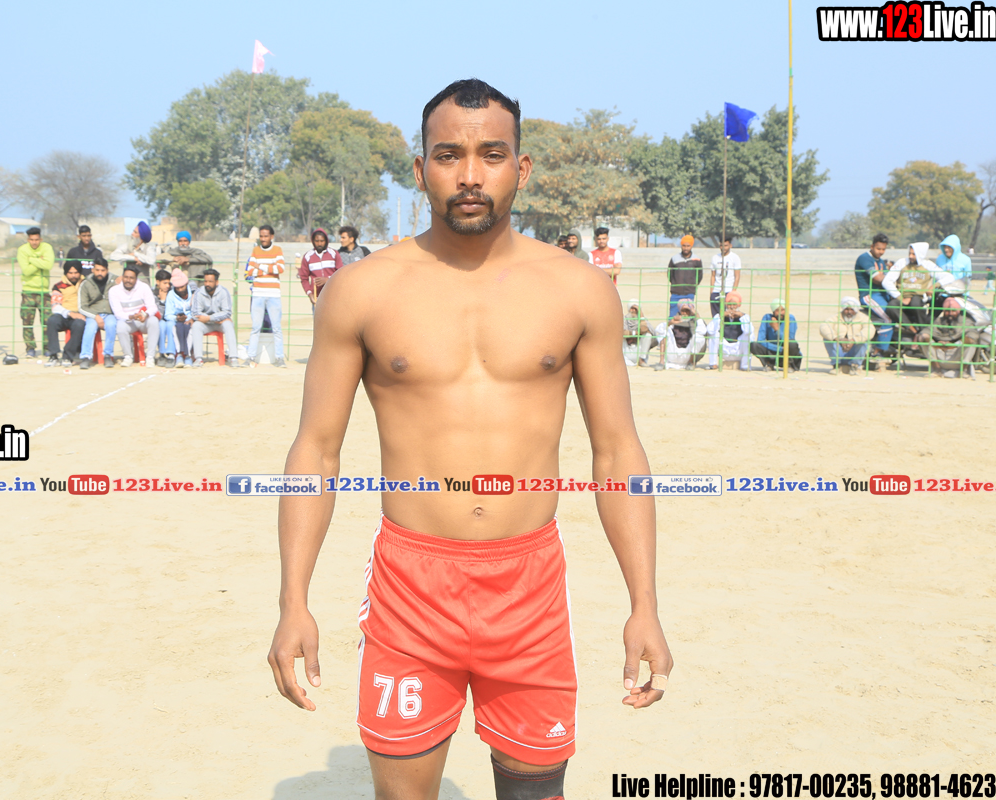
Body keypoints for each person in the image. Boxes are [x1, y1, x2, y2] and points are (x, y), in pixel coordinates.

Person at [267, 79, 670, 800]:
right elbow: (315, 450)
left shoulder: (579, 291)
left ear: (523, 167)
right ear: (420, 169)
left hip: (530, 586)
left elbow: (617, 452)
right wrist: (291, 599)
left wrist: (645, 601)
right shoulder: (361, 291)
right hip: (411, 586)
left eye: (492, 154)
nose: (471, 175)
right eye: (449, 155)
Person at [882, 243, 957, 352]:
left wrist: (934, 286)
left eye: (914, 254)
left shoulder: (928, 265)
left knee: (915, 302)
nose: (911, 256)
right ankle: (914, 331)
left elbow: (949, 277)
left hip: (919, 297)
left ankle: (923, 332)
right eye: (910, 253)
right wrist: (900, 297)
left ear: (920, 255)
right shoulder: (902, 263)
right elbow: (886, 281)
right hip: (903, 297)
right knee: (891, 306)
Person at [245, 225, 287, 367]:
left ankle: (279, 357)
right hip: (258, 293)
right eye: (261, 236)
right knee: (255, 327)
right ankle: (250, 356)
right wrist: (269, 269)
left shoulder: (277, 250)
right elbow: (250, 271)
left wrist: (260, 267)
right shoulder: (255, 250)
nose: (263, 239)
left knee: (277, 327)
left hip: (273, 294)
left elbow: (280, 268)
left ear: (271, 237)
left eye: (266, 236)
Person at [108, 264, 160, 367]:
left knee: (154, 321)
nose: (128, 280)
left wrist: (145, 315)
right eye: (126, 277)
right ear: (122, 277)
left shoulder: (144, 287)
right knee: (120, 326)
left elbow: (152, 307)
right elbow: (118, 313)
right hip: (128, 321)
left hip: (143, 320)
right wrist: (132, 317)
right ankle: (128, 357)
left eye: (131, 278)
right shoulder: (114, 291)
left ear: (136, 279)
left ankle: (150, 357)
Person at [854, 233, 894, 365]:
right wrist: (892, 276)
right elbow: (878, 278)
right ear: (872, 246)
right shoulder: (864, 259)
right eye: (878, 249)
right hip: (870, 295)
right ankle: (878, 352)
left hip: (882, 294)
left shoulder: (880, 261)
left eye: (883, 249)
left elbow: (886, 278)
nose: (881, 252)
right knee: (888, 318)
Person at [917, 297, 980, 378]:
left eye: (953, 311)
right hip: (940, 356)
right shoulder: (939, 321)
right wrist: (937, 344)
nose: (950, 313)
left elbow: (973, 336)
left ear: (958, 311)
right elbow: (924, 334)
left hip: (957, 356)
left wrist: (954, 345)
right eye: (947, 311)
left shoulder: (966, 322)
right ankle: (937, 370)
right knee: (923, 339)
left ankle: (963, 371)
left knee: (971, 343)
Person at [17, 226, 55, 358]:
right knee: (27, 321)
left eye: (37, 240)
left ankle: (47, 347)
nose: (34, 242)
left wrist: (31, 260)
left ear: (41, 239)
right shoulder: (22, 250)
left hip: (44, 291)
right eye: (32, 240)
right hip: (28, 290)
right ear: (28, 240)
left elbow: (49, 265)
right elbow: (26, 271)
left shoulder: (47, 247)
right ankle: (30, 348)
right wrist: (40, 261)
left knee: (47, 322)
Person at [189, 267, 240, 368]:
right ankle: (198, 359)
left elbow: (227, 312)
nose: (207, 284)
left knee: (228, 324)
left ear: (216, 282)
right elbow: (195, 313)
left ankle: (233, 358)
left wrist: (211, 318)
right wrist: (210, 319)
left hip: (219, 323)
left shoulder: (223, 292)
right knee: (196, 326)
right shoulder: (199, 292)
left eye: (210, 281)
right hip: (206, 324)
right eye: (206, 281)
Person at [77, 257, 118, 369]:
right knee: (90, 327)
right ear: (93, 270)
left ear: (107, 270)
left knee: (111, 325)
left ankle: (108, 355)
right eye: (97, 270)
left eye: (103, 270)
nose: (100, 273)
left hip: (110, 313)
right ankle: (86, 357)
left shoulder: (115, 282)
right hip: (93, 314)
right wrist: (95, 316)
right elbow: (82, 307)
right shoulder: (86, 283)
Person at [45, 262, 87, 367]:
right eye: (70, 273)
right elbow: (55, 306)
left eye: (76, 273)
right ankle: (53, 355)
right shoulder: (59, 286)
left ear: (80, 273)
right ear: (66, 273)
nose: (73, 276)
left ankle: (67, 356)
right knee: (52, 321)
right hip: (64, 314)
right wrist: (69, 313)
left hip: (80, 315)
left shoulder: (86, 284)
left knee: (79, 325)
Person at [818, 297, 871, 375]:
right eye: (846, 309)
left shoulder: (864, 318)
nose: (849, 312)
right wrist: (837, 339)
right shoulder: (836, 317)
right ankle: (836, 366)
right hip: (839, 350)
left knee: (864, 340)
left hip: (854, 350)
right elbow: (824, 327)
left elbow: (869, 330)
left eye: (852, 309)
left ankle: (855, 366)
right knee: (827, 338)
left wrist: (854, 340)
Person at [653, 299, 707, 370]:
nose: (685, 313)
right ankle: (661, 362)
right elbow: (659, 330)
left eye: (687, 311)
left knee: (699, 337)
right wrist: (670, 323)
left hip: (687, 355)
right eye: (683, 311)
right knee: (664, 333)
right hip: (673, 353)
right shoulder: (675, 320)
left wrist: (697, 316)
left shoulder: (695, 322)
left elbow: (703, 331)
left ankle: (691, 363)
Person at [751, 299, 802, 371]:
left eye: (783, 310)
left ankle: (789, 365)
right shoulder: (767, 318)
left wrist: (777, 329)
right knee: (753, 345)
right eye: (777, 310)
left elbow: (789, 340)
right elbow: (760, 340)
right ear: (773, 311)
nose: (781, 313)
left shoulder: (790, 318)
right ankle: (769, 364)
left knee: (792, 344)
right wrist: (779, 348)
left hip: (787, 353)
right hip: (773, 351)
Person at [298, 227, 343, 309]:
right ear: (313, 241)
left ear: (326, 241)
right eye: (317, 241)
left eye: (322, 241)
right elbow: (304, 278)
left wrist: (328, 280)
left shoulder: (334, 254)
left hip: (333, 296)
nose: (319, 244)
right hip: (317, 298)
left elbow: (340, 274)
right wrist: (309, 294)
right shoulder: (307, 256)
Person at [706, 291, 751, 370]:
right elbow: (710, 330)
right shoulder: (719, 315)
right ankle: (713, 364)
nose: (732, 307)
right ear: (726, 305)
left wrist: (741, 316)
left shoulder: (745, 317)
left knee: (748, 336)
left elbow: (748, 331)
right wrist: (721, 316)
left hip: (738, 350)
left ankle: (745, 365)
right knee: (714, 335)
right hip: (724, 350)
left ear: (738, 305)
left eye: (734, 304)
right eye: (729, 304)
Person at [166, 268, 194, 368]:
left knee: (189, 328)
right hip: (177, 321)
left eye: (182, 287)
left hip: (190, 320)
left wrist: (190, 318)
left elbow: (197, 310)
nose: (180, 290)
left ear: (186, 284)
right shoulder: (171, 295)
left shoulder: (193, 293)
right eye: (177, 288)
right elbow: (167, 314)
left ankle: (188, 356)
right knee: (176, 328)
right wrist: (176, 318)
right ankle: (179, 355)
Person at [708, 235, 741, 317]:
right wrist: (711, 291)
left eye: (726, 245)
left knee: (728, 315)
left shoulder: (735, 258)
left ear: (730, 245)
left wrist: (733, 291)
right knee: (716, 316)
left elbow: (737, 276)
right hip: (716, 291)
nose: (723, 248)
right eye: (721, 245)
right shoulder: (715, 258)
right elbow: (713, 275)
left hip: (728, 291)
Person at [667, 235, 703, 309]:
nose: (686, 248)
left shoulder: (697, 259)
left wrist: (693, 285)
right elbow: (670, 274)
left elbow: (699, 275)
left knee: (688, 314)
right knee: (673, 315)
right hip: (675, 293)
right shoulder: (674, 258)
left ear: (691, 246)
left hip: (689, 294)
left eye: (688, 246)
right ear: (681, 246)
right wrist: (676, 284)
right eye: (684, 246)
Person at [152, 268, 176, 367]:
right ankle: (161, 353)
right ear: (158, 282)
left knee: (171, 325)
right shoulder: (152, 293)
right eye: (164, 283)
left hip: (171, 319)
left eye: (168, 283)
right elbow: (158, 314)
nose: (167, 286)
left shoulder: (173, 291)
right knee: (161, 325)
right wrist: (162, 301)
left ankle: (171, 354)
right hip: (159, 319)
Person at [622, 297, 654, 366]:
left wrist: (641, 315)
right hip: (627, 347)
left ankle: (641, 360)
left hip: (638, 347)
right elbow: (623, 333)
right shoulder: (625, 319)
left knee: (648, 335)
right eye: (632, 308)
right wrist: (637, 333)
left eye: (636, 309)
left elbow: (645, 330)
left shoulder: (643, 319)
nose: (633, 311)